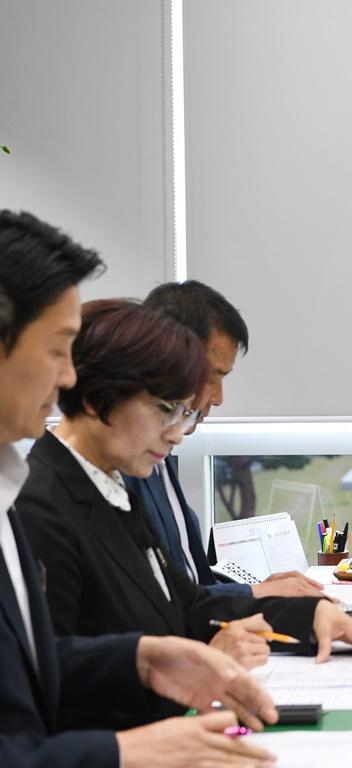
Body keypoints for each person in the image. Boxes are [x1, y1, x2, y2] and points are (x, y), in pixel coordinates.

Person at [17, 298, 352, 728]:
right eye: (165, 409)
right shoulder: (39, 507)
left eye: (183, 413)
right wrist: (203, 663)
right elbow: (52, 688)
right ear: (101, 398)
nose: (176, 433)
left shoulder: (111, 488)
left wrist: (313, 615)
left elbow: (188, 607)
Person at [0, 209, 279, 767]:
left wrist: (143, 659)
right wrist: (121, 749)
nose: (67, 377)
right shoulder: (38, 501)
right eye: (57, 349)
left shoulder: (68, 490)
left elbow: (42, 663)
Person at [127, 279, 322, 599]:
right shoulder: (127, 467)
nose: (217, 398)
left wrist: (257, 590)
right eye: (213, 377)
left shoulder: (161, 459)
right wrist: (254, 594)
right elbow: (164, 602)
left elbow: (193, 585)